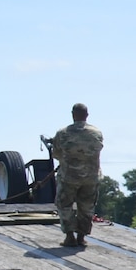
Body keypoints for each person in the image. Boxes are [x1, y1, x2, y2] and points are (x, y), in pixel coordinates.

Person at [51, 103, 103, 248]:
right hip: (91, 178)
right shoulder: (96, 132)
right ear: (87, 115)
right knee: (86, 207)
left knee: (64, 205)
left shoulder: (63, 133)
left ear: (73, 115)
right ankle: (81, 237)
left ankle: (69, 236)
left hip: (69, 177)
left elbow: (56, 154)